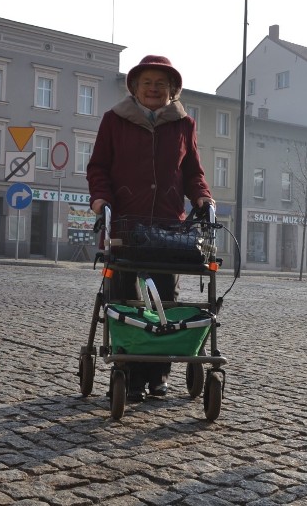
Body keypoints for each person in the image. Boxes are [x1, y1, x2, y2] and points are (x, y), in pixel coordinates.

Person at [87, 55, 213, 402]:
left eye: (161, 83)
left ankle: (157, 374)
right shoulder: (114, 120)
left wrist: (202, 198)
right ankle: (127, 373)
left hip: (168, 230)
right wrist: (100, 199)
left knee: (164, 301)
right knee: (125, 297)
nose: (154, 89)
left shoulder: (184, 123)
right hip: (125, 225)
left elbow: (193, 172)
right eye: (148, 82)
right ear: (135, 87)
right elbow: (98, 167)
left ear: (172, 89)